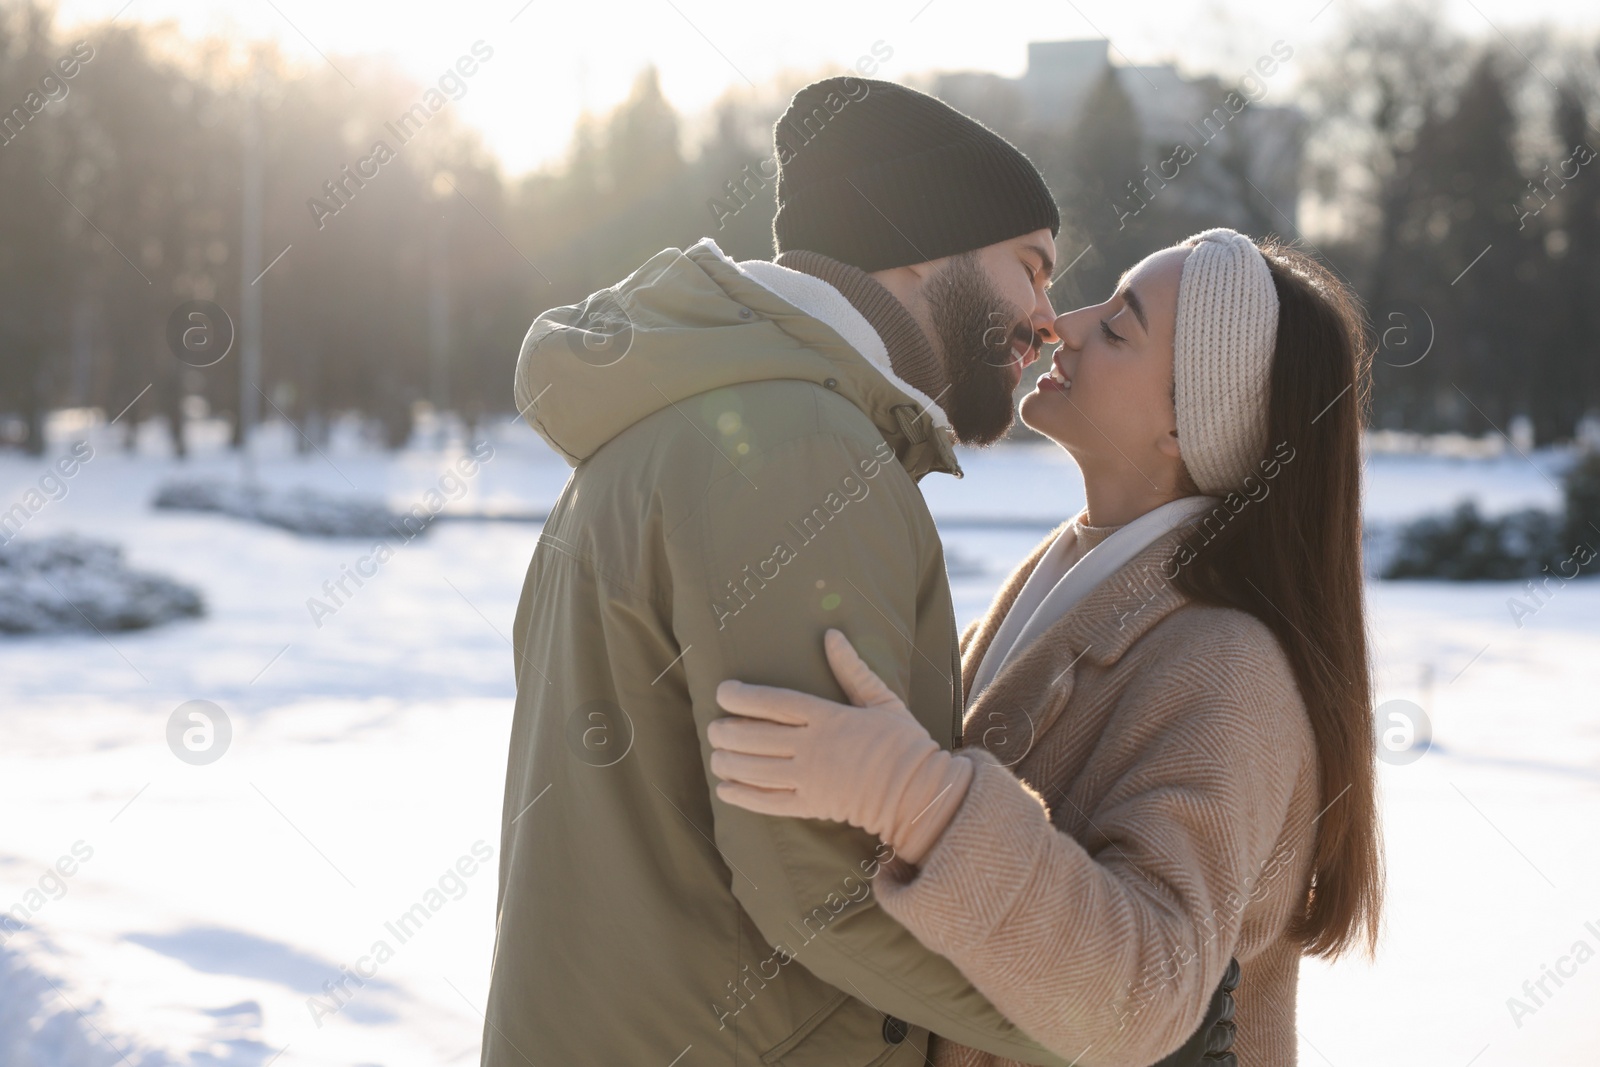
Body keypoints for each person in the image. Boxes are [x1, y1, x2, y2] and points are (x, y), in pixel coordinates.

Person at [483, 77, 1235, 1065]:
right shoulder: (796, 445)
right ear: (926, 249)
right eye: (1030, 267)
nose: (1048, 319)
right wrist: (1112, 1025)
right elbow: (827, 879)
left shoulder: (677, 424)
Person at [709, 230, 1386, 1066]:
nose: (1063, 323)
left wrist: (915, 795)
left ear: (1185, 423)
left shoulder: (1232, 669)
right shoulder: (1073, 571)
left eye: (1118, 328)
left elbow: (1146, 993)